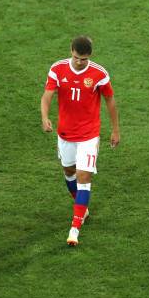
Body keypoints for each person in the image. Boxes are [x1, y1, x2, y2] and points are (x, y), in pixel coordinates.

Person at [40, 36, 120, 246]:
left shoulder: (99, 74)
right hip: (65, 133)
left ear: (89, 56)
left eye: (83, 59)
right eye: (76, 58)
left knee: (84, 175)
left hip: (89, 134)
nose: (79, 62)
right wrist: (45, 117)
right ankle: (81, 208)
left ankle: (75, 227)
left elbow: (110, 100)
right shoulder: (57, 69)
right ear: (71, 51)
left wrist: (115, 130)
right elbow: (47, 95)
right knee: (69, 172)